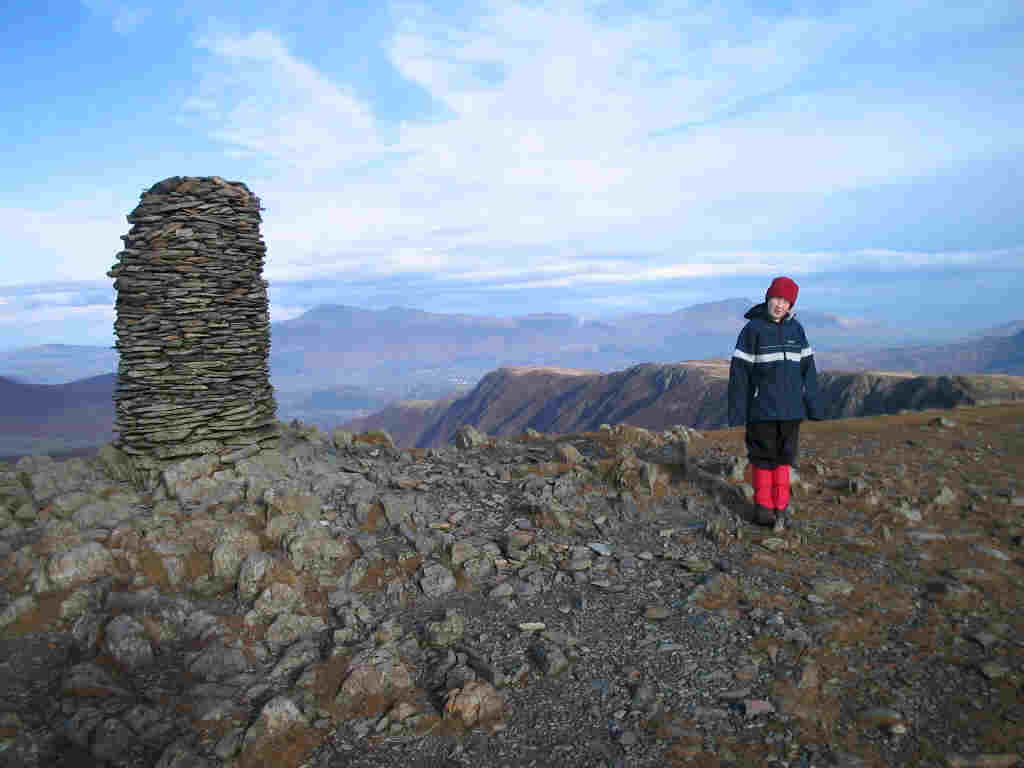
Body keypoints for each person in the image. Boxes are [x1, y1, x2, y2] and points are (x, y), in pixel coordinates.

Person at [728, 276, 823, 527]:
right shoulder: (753, 330)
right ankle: (763, 509)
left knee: (785, 459)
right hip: (762, 410)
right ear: (768, 298)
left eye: (785, 300)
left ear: (791, 305)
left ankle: (781, 508)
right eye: (776, 298)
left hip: (791, 411)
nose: (779, 305)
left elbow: (808, 370)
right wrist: (738, 410)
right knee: (762, 458)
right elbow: (740, 374)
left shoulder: (797, 330)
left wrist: (812, 404)